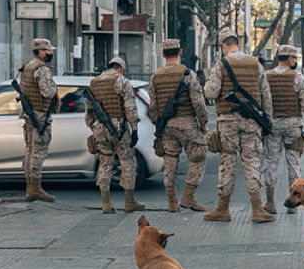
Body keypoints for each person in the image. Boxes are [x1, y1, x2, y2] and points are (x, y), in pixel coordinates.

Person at [203, 29, 275, 223]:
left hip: (228, 122)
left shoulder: (222, 64)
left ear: (223, 45)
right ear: (237, 42)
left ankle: (223, 209)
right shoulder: (255, 63)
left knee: (228, 163)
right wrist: (267, 120)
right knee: (252, 161)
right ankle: (258, 209)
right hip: (252, 122)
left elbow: (210, 92)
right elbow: (265, 94)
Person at [148, 39, 209, 213]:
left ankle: (172, 202)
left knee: (170, 161)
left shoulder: (155, 77)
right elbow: (198, 103)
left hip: (166, 126)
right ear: (180, 53)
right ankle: (188, 196)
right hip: (187, 123)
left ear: (163, 55)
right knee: (198, 156)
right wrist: (203, 123)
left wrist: (158, 124)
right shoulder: (188, 74)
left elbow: (152, 107)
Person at [261, 45, 304, 214]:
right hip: (293, 126)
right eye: (295, 58)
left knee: (271, 163)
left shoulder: (266, 76)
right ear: (290, 59)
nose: (295, 61)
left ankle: (270, 203)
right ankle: (293, 204)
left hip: (272, 126)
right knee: (294, 164)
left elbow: (261, 101)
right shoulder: (297, 77)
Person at [85, 57, 145, 214]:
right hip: (118, 128)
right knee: (127, 162)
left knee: (105, 163)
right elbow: (130, 108)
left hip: (99, 128)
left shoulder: (94, 83)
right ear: (122, 69)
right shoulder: (122, 81)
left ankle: (106, 203)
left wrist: (93, 128)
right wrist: (135, 130)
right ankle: (129, 201)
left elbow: (89, 112)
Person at [18, 38, 59, 202]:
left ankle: (30, 186)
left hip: (29, 114)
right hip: (40, 115)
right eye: (48, 51)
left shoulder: (27, 67)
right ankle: (35, 188)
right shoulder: (42, 70)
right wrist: (55, 86)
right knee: (38, 151)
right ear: (41, 51)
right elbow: (47, 92)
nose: (51, 53)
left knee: (29, 150)